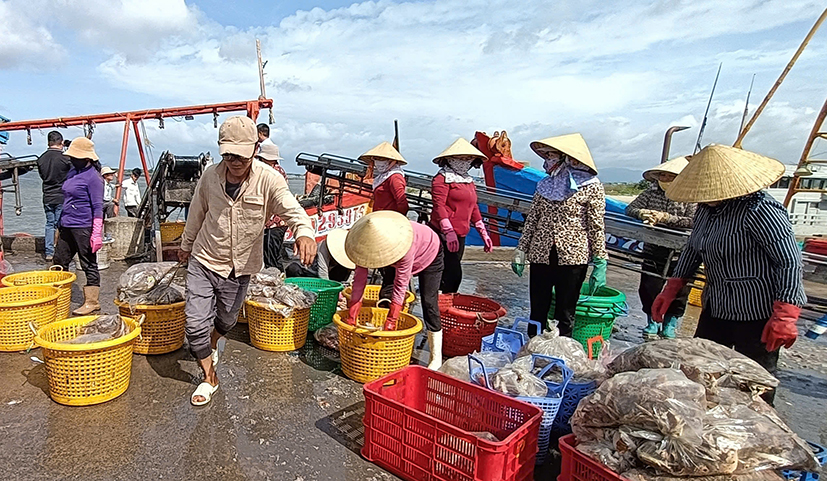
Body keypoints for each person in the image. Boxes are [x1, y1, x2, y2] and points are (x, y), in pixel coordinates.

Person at [652, 144, 806, 403]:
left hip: (756, 312)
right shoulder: (706, 209)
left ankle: (759, 432)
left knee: (754, 382)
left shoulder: (761, 210)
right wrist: (673, 287)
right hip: (717, 304)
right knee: (701, 369)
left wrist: (786, 314)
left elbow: (789, 261)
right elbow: (694, 248)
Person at [179, 115, 316, 406]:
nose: (234, 160)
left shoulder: (269, 179)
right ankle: (209, 377)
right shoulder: (209, 176)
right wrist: (186, 245)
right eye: (228, 154)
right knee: (193, 326)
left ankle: (213, 341)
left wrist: (304, 232)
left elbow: (291, 208)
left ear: (254, 149)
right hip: (204, 258)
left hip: (240, 267)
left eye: (240, 154)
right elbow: (196, 213)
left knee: (227, 321)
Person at [512, 133, 608, 338]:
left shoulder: (591, 186)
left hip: (573, 256)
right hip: (541, 253)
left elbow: (596, 225)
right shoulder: (545, 185)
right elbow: (532, 219)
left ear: (566, 158)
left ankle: (561, 351)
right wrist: (521, 249)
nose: (547, 161)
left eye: (552, 156)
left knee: (565, 310)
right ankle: (532, 346)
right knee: (538, 308)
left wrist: (600, 259)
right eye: (546, 156)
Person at [345, 211, 445, 369]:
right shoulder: (364, 245)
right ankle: (382, 342)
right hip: (392, 256)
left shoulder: (404, 246)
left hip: (430, 250)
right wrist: (352, 314)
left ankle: (436, 356)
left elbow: (401, 285)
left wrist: (391, 320)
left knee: (429, 302)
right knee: (385, 293)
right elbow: (359, 281)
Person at [625, 156, 696, 340]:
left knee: (680, 290)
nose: (664, 179)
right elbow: (630, 209)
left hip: (682, 251)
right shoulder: (651, 193)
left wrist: (666, 218)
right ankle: (652, 321)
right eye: (662, 175)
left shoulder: (690, 197)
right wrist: (643, 213)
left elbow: (693, 221)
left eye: (669, 176)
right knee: (649, 286)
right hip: (653, 246)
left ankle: (670, 324)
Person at [429, 138, 493, 293]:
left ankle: (444, 303)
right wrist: (448, 231)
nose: (464, 162)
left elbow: (473, 206)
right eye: (459, 158)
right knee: (453, 274)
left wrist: (483, 232)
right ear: (449, 160)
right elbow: (439, 206)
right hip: (444, 234)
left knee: (451, 271)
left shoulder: (468, 181)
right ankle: (441, 303)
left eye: (467, 159)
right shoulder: (442, 179)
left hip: (461, 233)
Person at [53, 137, 104, 315]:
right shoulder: (73, 172)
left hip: (84, 226)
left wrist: (97, 232)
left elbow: (98, 206)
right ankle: (58, 296)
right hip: (67, 224)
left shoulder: (94, 178)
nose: (72, 159)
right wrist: (59, 224)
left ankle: (92, 301)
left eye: (76, 157)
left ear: (87, 158)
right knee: (59, 260)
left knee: (88, 263)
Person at [36, 131, 71, 261]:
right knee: (61, 224)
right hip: (62, 195)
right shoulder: (65, 158)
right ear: (61, 143)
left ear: (48, 142)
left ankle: (49, 252)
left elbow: (42, 175)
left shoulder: (41, 158)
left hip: (47, 195)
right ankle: (61, 251)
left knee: (49, 224)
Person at [256, 141, 290, 269]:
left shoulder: (273, 174)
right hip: (275, 222)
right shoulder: (278, 171)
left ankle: (278, 283)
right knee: (273, 256)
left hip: (274, 223)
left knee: (271, 258)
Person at [283, 229, 356, 283]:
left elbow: (351, 270)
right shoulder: (323, 248)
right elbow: (322, 272)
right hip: (309, 271)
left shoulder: (348, 251)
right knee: (293, 269)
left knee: (342, 271)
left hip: (330, 271)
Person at [359, 141, 408, 215]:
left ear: (392, 161)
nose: (378, 162)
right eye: (376, 158)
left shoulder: (395, 177)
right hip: (379, 215)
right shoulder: (382, 177)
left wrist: (397, 219)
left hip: (388, 218)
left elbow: (402, 202)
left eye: (382, 159)